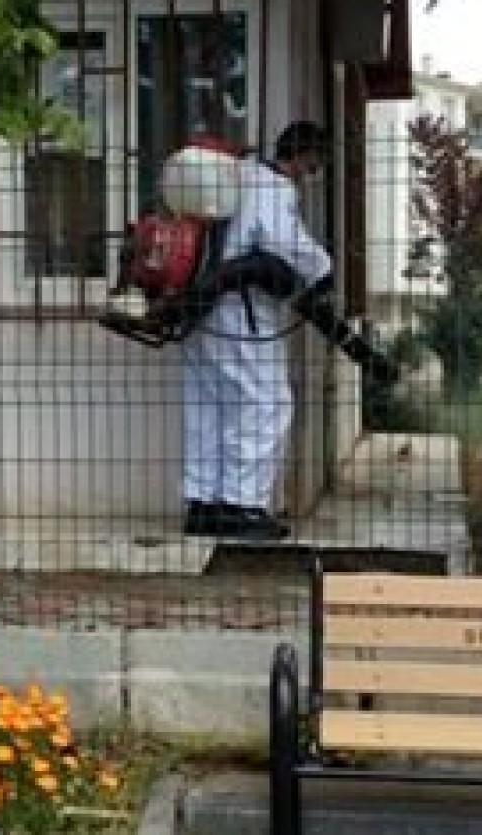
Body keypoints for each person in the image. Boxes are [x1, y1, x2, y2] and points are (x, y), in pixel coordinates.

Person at [181, 121, 333, 540]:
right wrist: (324, 269)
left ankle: (202, 504)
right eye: (315, 163)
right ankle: (244, 506)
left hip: (196, 306)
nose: (313, 172)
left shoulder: (238, 172)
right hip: (238, 313)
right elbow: (284, 243)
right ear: (304, 157)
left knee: (207, 404)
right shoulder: (272, 186)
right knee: (266, 401)